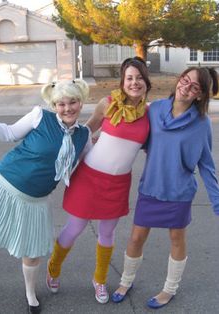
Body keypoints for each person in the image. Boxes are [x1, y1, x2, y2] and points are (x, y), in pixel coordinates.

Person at [46, 57, 151, 304]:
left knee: (107, 232)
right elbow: (85, 130)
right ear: (123, 82)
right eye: (129, 78)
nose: (134, 82)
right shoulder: (108, 103)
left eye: (139, 78)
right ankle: (53, 269)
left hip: (117, 184)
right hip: (89, 178)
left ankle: (100, 279)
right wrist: (62, 153)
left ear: (146, 81)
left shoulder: (150, 113)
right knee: (74, 229)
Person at [112, 66, 219, 309]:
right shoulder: (156, 109)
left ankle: (170, 289)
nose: (186, 87)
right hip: (151, 186)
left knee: (176, 238)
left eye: (195, 86)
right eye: (185, 79)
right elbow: (136, 138)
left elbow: (206, 165)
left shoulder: (201, 124)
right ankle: (126, 281)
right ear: (178, 79)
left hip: (179, 192)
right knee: (136, 236)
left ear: (200, 95)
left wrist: (217, 201)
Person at [0, 79, 91, 314]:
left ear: (81, 103)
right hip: (4, 185)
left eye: (72, 102)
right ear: (53, 105)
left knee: (32, 251)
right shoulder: (39, 116)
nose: (67, 108)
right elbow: (8, 133)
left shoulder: (84, 135)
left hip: (36, 200)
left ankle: (30, 293)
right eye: (61, 104)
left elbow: (91, 166)